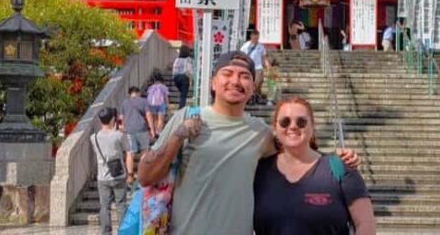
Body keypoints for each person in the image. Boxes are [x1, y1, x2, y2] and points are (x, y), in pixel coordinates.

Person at [138, 51, 359, 235]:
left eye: (244, 76)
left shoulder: (260, 133)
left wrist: (336, 158)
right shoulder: (186, 117)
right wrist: (178, 135)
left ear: (253, 87)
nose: (235, 81)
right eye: (227, 74)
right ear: (213, 82)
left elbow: (298, 152)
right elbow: (146, 176)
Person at [253, 97, 376, 235]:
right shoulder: (259, 171)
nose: (293, 126)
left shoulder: (341, 167)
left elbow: (365, 224)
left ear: (312, 126)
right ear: (275, 128)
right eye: (284, 122)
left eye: (301, 122)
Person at [91, 107, 133, 235]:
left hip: (102, 177)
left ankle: (106, 232)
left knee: (104, 207)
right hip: (118, 175)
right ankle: (123, 231)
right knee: (121, 205)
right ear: (113, 119)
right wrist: (130, 174)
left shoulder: (94, 137)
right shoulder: (119, 136)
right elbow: (129, 153)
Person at [119, 86, 154, 154]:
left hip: (129, 130)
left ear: (129, 94)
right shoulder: (144, 101)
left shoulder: (124, 103)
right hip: (142, 129)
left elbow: (121, 118)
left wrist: (122, 129)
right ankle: (142, 164)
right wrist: (152, 129)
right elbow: (149, 115)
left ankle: (129, 165)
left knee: (130, 152)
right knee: (144, 150)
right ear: (138, 93)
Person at [241, 28, 271, 101]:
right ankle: (250, 97)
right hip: (249, 67)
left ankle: (256, 96)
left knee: (258, 82)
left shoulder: (261, 46)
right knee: (251, 83)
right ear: (251, 36)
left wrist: (267, 65)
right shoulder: (245, 45)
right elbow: (242, 55)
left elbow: (263, 57)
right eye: (254, 37)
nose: (256, 39)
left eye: (257, 38)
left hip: (258, 67)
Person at [172, 44, 194, 108]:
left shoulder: (177, 59)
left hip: (176, 78)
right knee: (183, 95)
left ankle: (181, 106)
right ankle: (181, 109)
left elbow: (174, 69)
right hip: (184, 78)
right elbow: (189, 70)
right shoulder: (188, 59)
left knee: (182, 93)